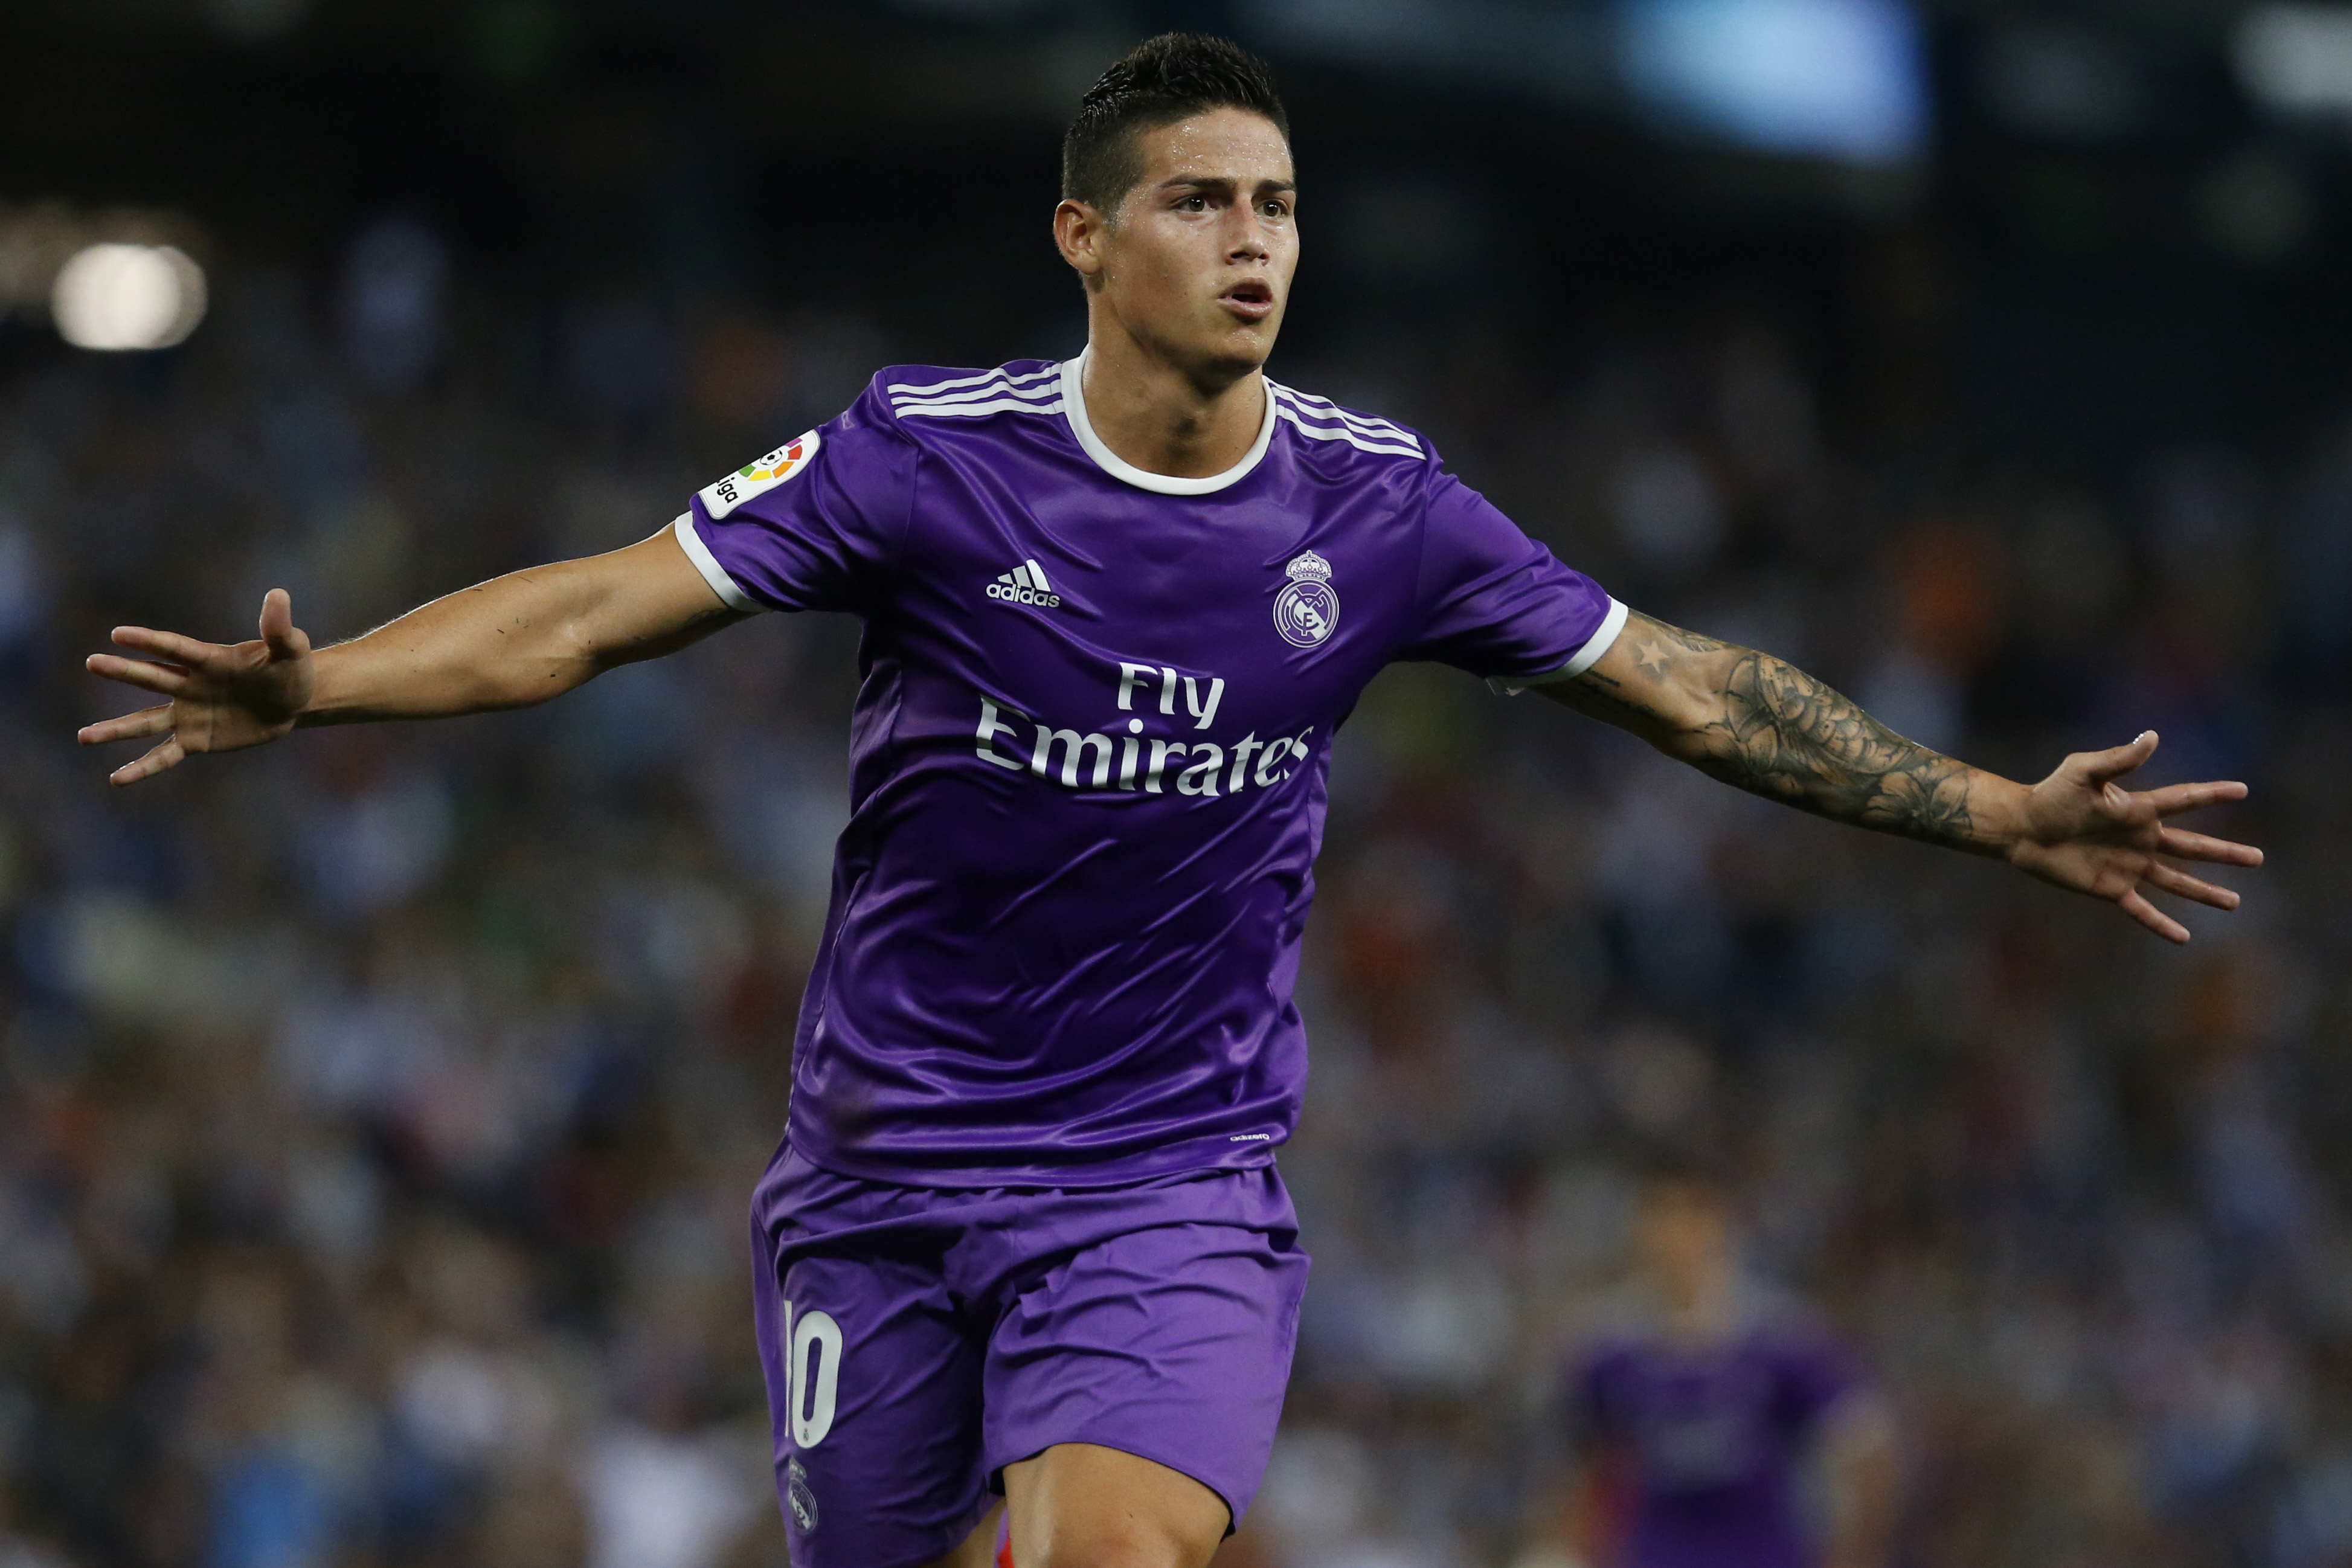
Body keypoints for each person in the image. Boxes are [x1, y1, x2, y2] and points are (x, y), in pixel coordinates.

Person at [77, 33, 2260, 1568]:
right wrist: (327, 685)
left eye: (1280, 205)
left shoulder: (1383, 510)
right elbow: (585, 614)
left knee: (1113, 1545)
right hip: (880, 1184)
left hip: (1164, 1182)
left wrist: (1990, 811)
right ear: (1084, 239)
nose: (1255, 240)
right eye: (1202, 202)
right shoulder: (923, 458)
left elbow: (1681, 688)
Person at [1521, 1175, 1897, 1568]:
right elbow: (1572, 1460)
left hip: (1765, 1553)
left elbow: (1865, 1445)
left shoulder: (1781, 1339)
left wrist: (1855, 1553)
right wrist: (1559, 1547)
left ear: (1717, 1226)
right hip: (1659, 1553)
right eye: (1659, 1220)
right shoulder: (1608, 1349)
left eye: (1686, 1219)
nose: (1671, 1239)